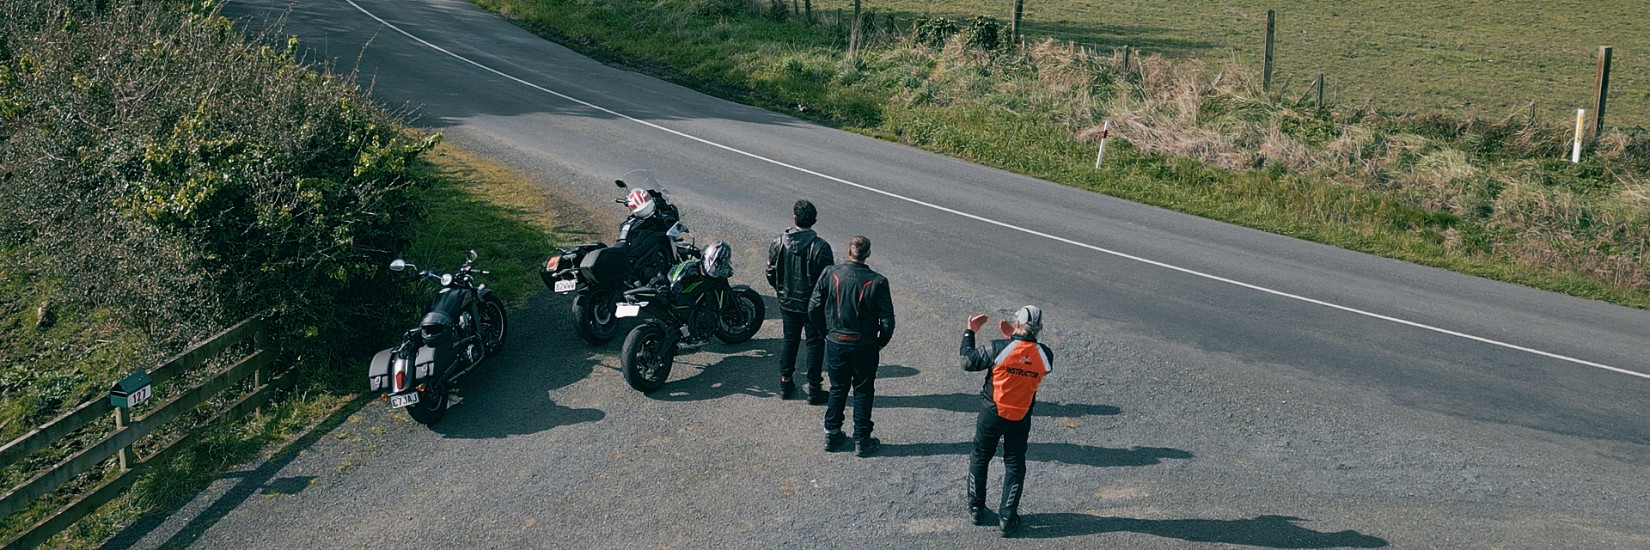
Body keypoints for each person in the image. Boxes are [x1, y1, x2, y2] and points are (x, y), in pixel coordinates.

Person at [959, 305, 1053, 537]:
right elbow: (1025, 358)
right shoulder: (1046, 355)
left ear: (1017, 322)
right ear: (1039, 328)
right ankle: (1007, 517)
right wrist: (1013, 339)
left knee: (980, 457)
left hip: (991, 412)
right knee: (1014, 463)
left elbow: (967, 361)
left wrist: (970, 331)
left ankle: (975, 509)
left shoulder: (998, 348)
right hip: (1021, 416)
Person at [808, 235, 895, 457]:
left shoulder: (830, 273)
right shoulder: (878, 281)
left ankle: (832, 433)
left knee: (838, 388)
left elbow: (813, 307)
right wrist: (878, 343)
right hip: (864, 344)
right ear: (867, 254)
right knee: (863, 391)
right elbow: (887, 321)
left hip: (837, 341)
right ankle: (861, 440)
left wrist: (826, 332)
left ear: (849, 251)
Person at [766, 200, 834, 403]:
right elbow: (828, 280)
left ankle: (785, 383)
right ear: (814, 221)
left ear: (795, 218)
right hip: (812, 305)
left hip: (787, 302)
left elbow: (770, 272)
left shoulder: (778, 242)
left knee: (790, 341)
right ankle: (814, 389)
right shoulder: (821, 247)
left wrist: (780, 291)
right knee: (814, 345)